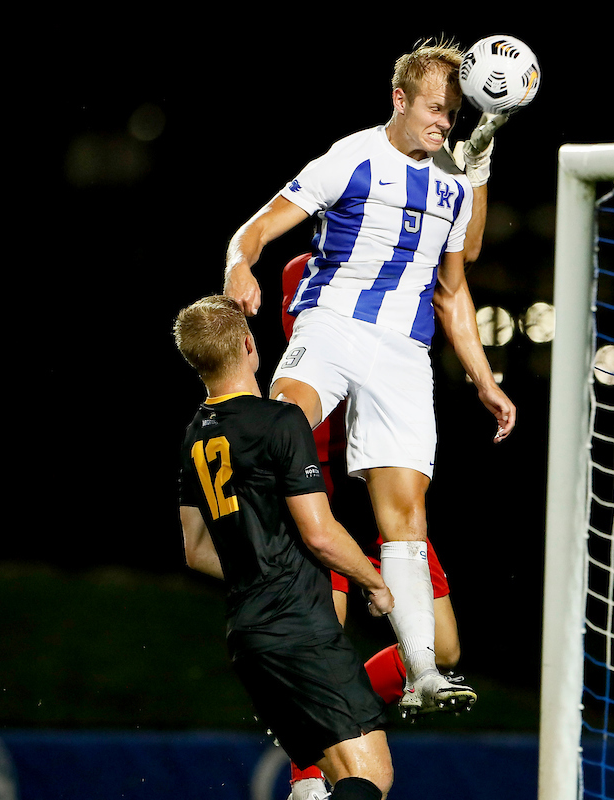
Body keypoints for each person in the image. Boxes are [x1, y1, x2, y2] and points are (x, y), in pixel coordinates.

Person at [222, 37, 514, 724]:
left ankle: (421, 674)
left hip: (402, 354)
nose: (446, 123)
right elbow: (262, 226)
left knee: (406, 516)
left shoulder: (450, 181)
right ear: (400, 99)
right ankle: (266, 605)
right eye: (437, 111)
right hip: (330, 325)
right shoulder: (352, 157)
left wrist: (483, 377)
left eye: (455, 114)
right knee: (278, 429)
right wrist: (241, 264)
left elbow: (454, 288)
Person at [175, 295, 396, 800]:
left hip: (248, 637)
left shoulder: (194, 436)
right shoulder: (280, 420)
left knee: (334, 782)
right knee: (371, 777)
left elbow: (195, 549)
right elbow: (320, 534)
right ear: (250, 346)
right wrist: (375, 583)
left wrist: (257, 569)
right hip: (299, 630)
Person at [280, 253, 468, 800]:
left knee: (444, 649)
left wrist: (473, 181)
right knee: (323, 648)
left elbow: (460, 265)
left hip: (387, 500)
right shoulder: (308, 275)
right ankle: (304, 773)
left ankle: (331, 710)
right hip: (326, 502)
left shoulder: (402, 263)